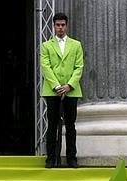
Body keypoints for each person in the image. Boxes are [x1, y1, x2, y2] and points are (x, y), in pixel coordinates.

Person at [40, 12, 84, 168]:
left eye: (63, 25)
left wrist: (69, 85)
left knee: (71, 125)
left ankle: (72, 157)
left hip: (71, 90)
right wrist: (57, 86)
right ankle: (50, 158)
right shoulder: (46, 45)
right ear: (53, 26)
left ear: (67, 25)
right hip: (52, 90)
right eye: (57, 25)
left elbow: (79, 67)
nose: (60, 27)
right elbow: (45, 67)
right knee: (52, 124)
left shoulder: (76, 44)